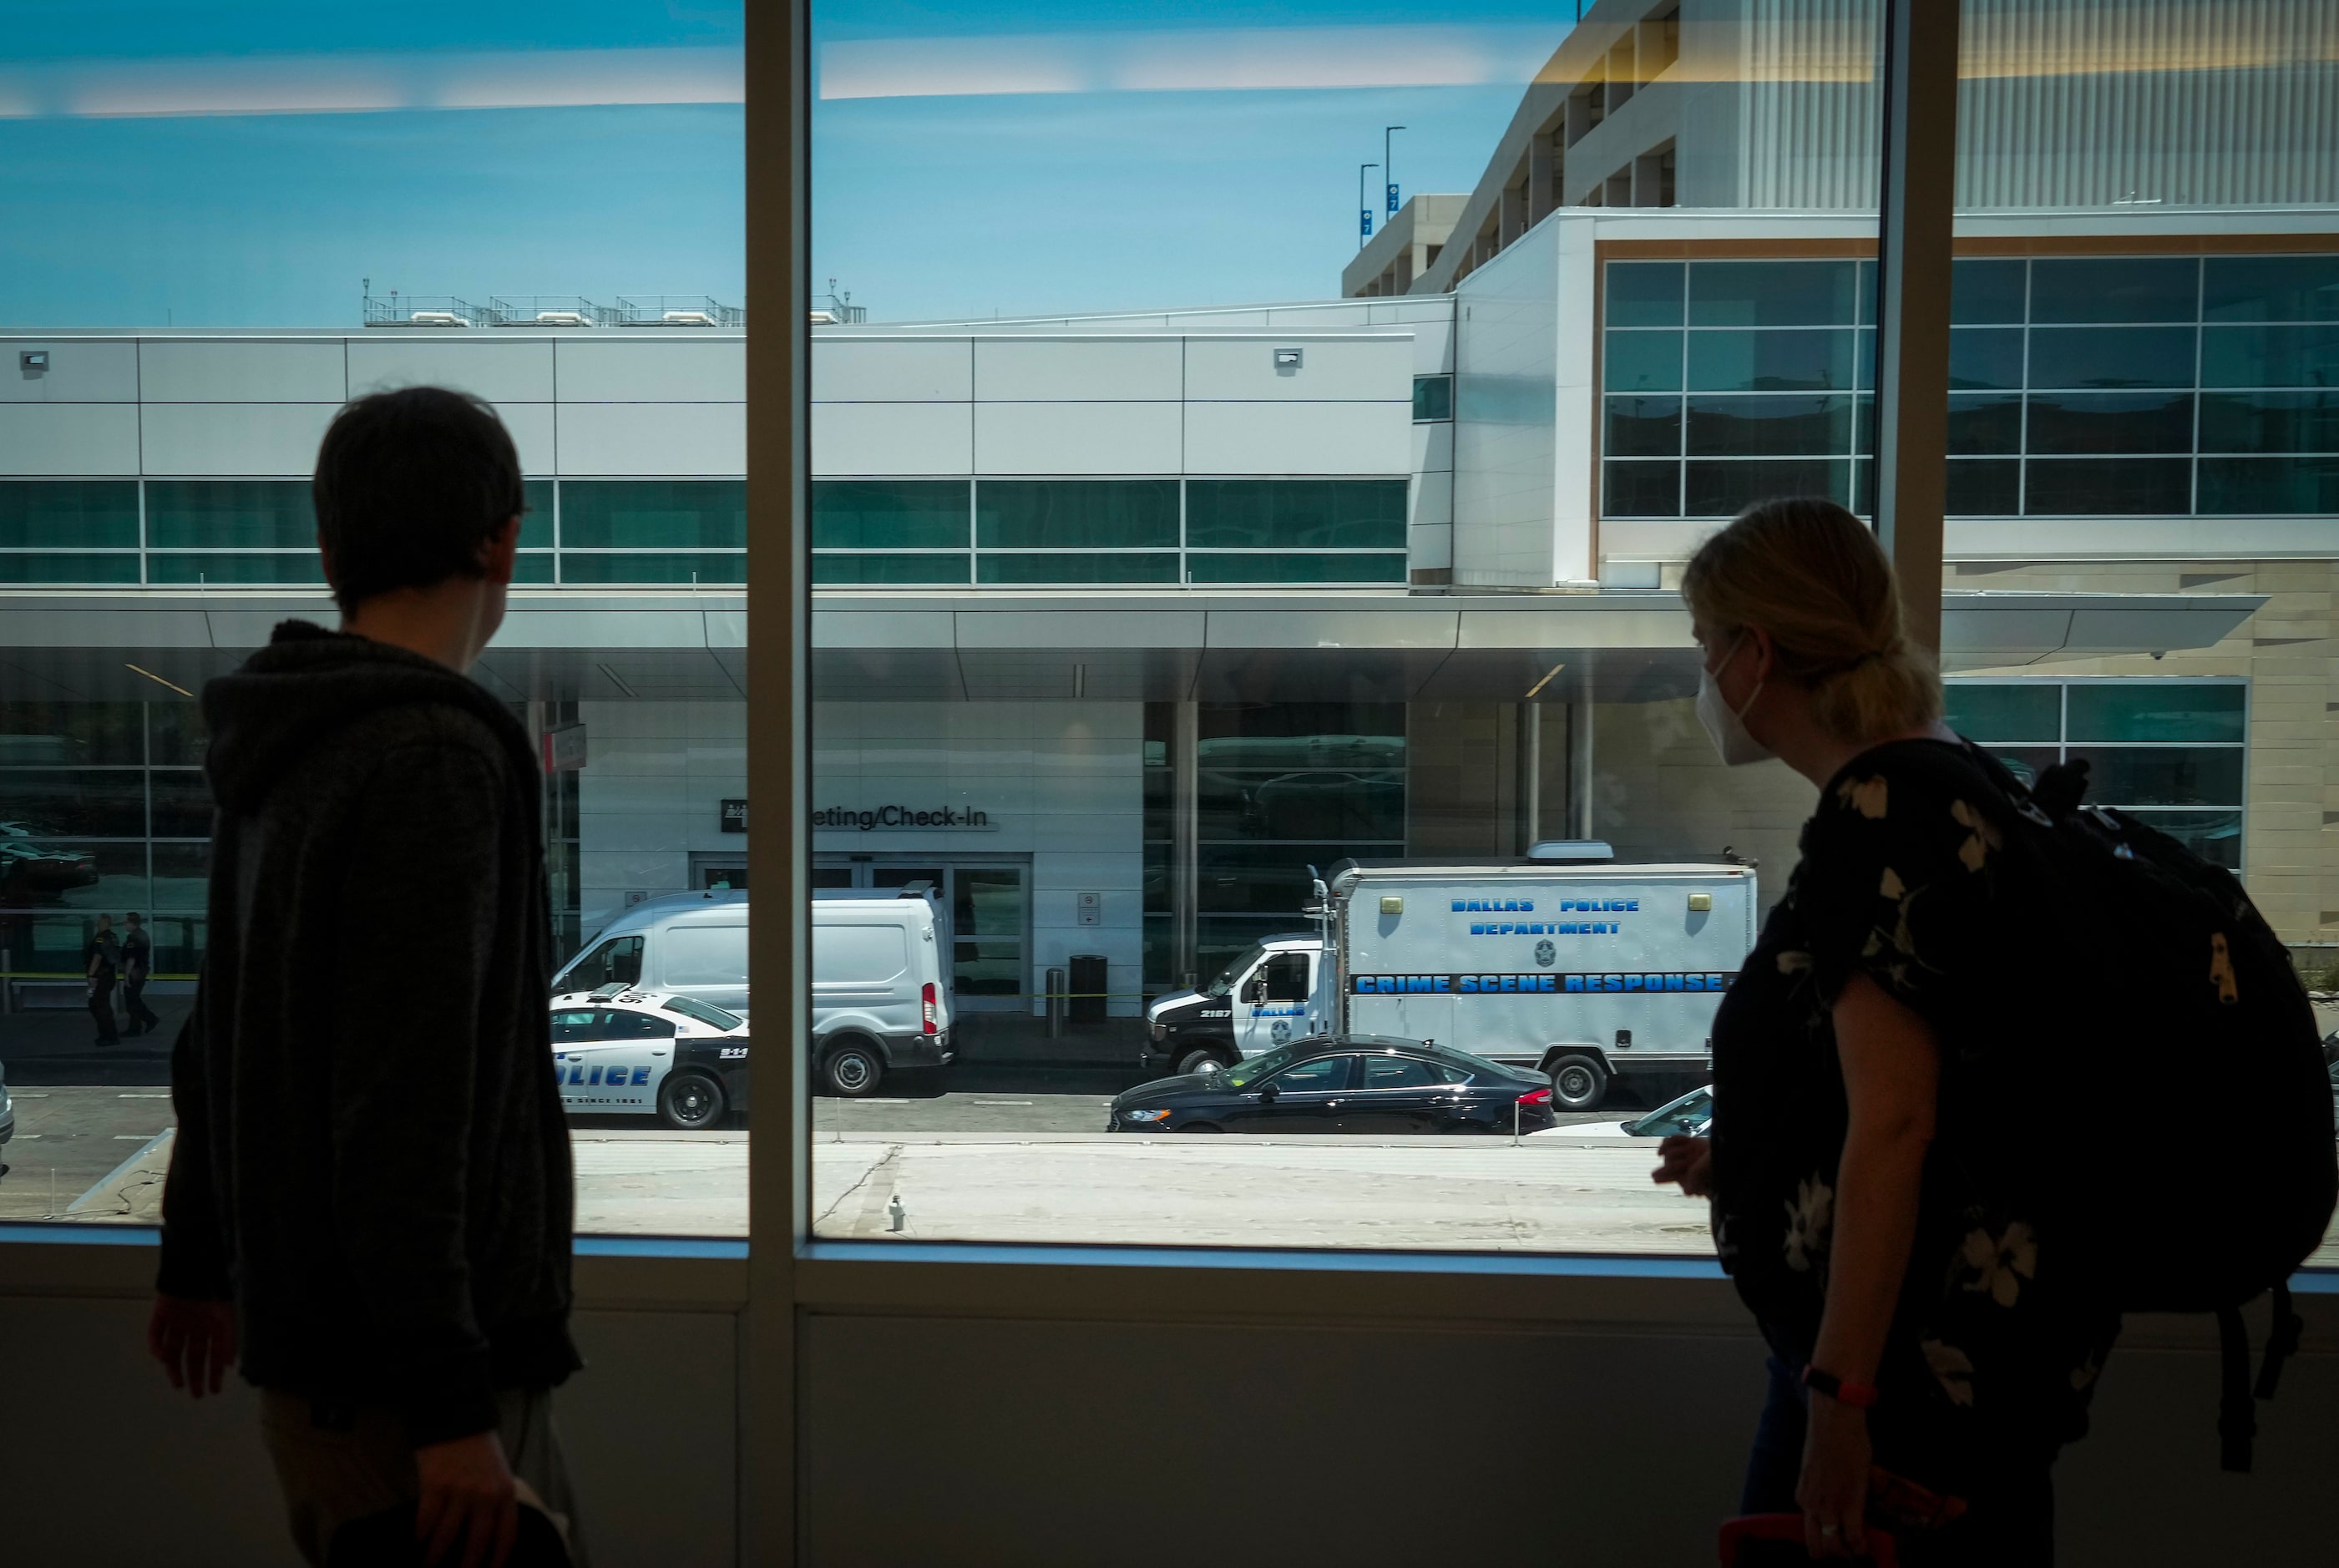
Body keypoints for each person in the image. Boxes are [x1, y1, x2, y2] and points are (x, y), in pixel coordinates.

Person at [149, 386, 585, 1568]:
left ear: (332, 549)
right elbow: (404, 1106)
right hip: (414, 1391)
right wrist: (450, 1408)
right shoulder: (431, 755)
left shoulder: (287, 736)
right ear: (502, 538)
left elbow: (219, 1030)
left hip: (323, 1365)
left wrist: (198, 1253)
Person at [1652, 498, 2117, 1566]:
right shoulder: (1961, 783)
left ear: (1753, 653)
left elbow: (1898, 1128)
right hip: (1977, 1370)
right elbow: (1958, 1085)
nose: (1702, 680)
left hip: (1899, 1386)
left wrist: (1839, 1401)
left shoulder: (1879, 818)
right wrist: (1759, 1166)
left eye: (1701, 645)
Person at [119, 910, 162, 1035]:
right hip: (140, 971)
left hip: (135, 973)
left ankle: (150, 1019)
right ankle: (135, 1028)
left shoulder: (134, 937)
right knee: (133, 1000)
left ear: (132, 923)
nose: (124, 925)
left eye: (126, 922)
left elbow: (132, 958)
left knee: (132, 1000)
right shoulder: (142, 935)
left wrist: (127, 975)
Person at [85, 912, 123, 1045]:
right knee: (101, 1005)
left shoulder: (100, 938)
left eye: (99, 922)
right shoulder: (113, 937)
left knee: (98, 1005)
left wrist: (91, 975)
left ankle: (109, 1035)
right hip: (109, 975)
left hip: (100, 976)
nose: (98, 925)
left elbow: (97, 957)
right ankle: (108, 1034)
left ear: (102, 924)